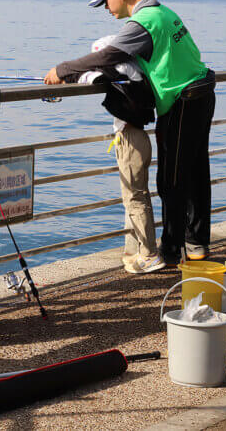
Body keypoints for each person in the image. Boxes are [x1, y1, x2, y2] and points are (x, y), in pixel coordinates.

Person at [44, 0, 215, 265]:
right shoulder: (162, 11)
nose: (105, 9)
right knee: (197, 172)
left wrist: (63, 70)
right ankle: (197, 244)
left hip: (181, 100)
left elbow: (107, 57)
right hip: (203, 92)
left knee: (171, 179)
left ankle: (172, 249)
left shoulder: (143, 22)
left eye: (105, 1)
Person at [68, 35, 164, 273]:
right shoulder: (135, 72)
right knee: (135, 196)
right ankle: (134, 251)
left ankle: (150, 255)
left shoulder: (117, 73)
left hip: (131, 140)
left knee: (135, 198)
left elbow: (95, 77)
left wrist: (68, 74)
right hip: (136, 138)